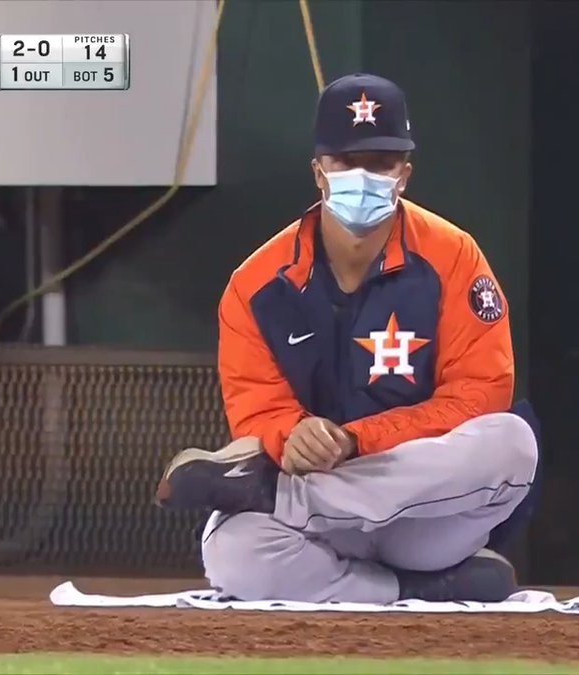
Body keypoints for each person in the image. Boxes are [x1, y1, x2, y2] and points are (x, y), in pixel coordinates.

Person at [155, 73, 540, 604]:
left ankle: (286, 501)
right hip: (327, 524)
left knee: (511, 442)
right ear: (319, 172)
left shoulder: (453, 256)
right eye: (346, 162)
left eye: (380, 164)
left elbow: (480, 394)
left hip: (423, 516)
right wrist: (292, 436)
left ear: (404, 173)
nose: (364, 175)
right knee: (231, 551)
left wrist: (357, 441)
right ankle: (413, 591)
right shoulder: (257, 285)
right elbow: (257, 410)